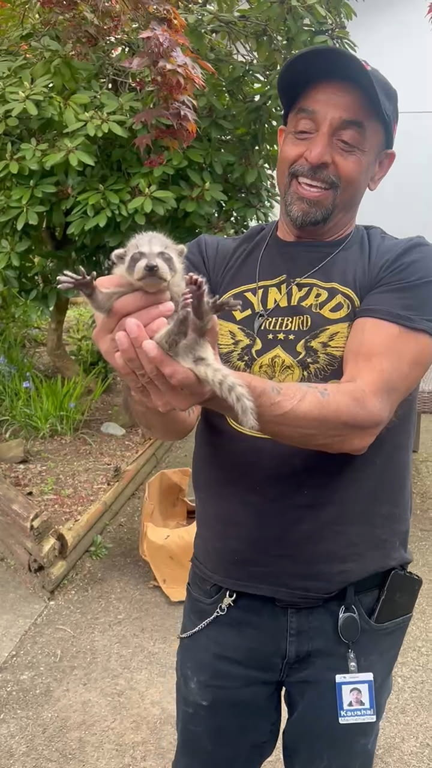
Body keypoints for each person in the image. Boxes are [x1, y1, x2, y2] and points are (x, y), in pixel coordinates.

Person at [92, 45, 432, 768]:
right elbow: (169, 421)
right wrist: (140, 365)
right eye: (303, 130)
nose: (317, 155)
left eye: (348, 142)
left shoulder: (403, 264)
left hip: (352, 611)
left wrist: (215, 381)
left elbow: (360, 415)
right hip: (224, 598)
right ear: (281, 143)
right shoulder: (209, 262)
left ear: (380, 167)